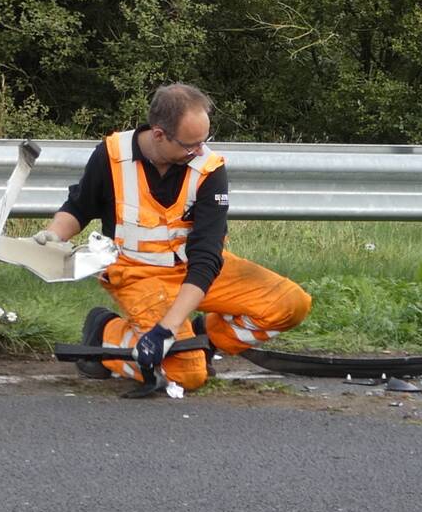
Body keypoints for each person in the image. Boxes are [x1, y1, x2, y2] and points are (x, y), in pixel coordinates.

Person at [34, 83, 312, 391]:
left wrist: (168, 328)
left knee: (289, 304)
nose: (199, 150)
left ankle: (201, 337)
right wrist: (52, 236)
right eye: (189, 144)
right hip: (137, 274)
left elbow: (207, 256)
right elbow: (79, 207)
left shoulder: (209, 169)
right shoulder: (111, 156)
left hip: (194, 271)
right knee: (187, 375)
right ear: (158, 135)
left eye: (204, 141)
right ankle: (106, 334)